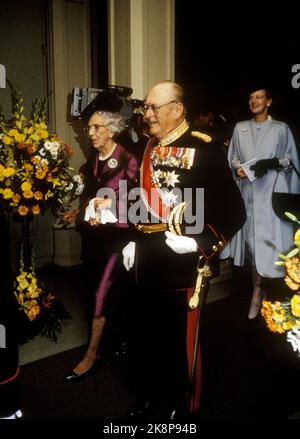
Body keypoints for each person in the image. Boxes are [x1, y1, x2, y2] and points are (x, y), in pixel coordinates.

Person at [122, 80, 246, 419]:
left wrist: (199, 241)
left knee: (176, 342)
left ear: (177, 109)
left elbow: (234, 211)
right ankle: (149, 400)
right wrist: (134, 237)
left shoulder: (203, 148)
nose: (147, 115)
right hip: (147, 259)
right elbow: (144, 200)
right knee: (145, 338)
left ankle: (178, 406)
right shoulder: (150, 146)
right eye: (146, 107)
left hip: (183, 264)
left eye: (154, 108)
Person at [64, 91, 138, 382]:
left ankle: (91, 355)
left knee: (101, 295)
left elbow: (140, 200)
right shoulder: (94, 159)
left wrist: (112, 205)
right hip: (94, 239)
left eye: (96, 127)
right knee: (95, 293)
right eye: (89, 127)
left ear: (112, 128)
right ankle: (117, 341)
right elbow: (90, 195)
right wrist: (89, 207)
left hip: (117, 241)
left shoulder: (129, 159)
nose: (90, 132)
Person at [225, 85, 300, 319]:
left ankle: (265, 294)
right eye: (251, 98)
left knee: (271, 245)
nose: (254, 101)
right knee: (251, 245)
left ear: (268, 102)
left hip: (271, 194)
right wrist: (238, 167)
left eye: (259, 98)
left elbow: (290, 159)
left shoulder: (280, 129)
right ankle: (257, 289)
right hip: (248, 193)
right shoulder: (240, 128)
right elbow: (233, 156)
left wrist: (273, 163)